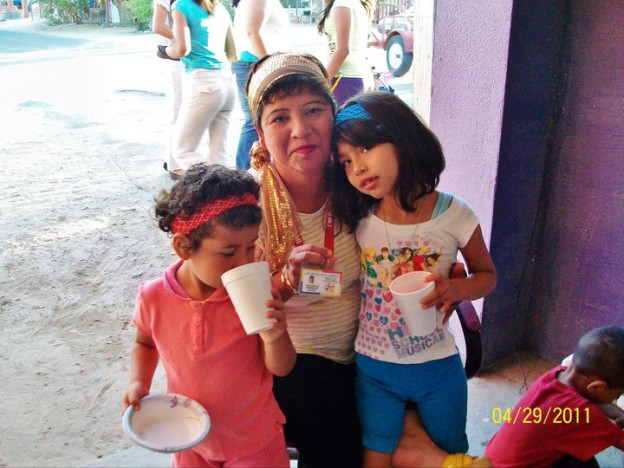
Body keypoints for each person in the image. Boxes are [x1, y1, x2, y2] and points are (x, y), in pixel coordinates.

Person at [330, 91, 498, 467]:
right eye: (346, 161)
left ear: (402, 137)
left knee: (450, 452)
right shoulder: (357, 218)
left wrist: (456, 288)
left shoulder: (455, 214)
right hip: (374, 366)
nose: (357, 168)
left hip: (438, 366)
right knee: (377, 453)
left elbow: (487, 276)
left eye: (366, 148)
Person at [121, 164, 296, 467]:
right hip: (188, 435)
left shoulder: (255, 291)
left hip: (252, 439)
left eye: (251, 247)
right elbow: (145, 343)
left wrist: (274, 337)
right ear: (184, 247)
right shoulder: (153, 297)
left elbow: (281, 368)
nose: (244, 262)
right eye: (228, 252)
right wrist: (139, 382)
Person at [246, 51, 363, 467]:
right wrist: (285, 282)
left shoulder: (358, 182)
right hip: (294, 363)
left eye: (313, 110)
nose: (300, 129)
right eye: (280, 117)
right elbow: (233, 308)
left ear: (334, 116)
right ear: (260, 134)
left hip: (370, 350)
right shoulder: (247, 206)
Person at [484, 325, 624, 467]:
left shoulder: (557, 376)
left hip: (492, 461)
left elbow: (587, 401)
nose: (616, 398)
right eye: (618, 394)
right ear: (596, 387)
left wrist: (617, 412)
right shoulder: (578, 413)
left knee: (581, 457)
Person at [165, 0, 237, 175]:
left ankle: (215, 182)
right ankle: (227, 186)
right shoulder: (220, 9)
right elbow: (233, 53)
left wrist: (168, 50)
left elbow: (182, 49)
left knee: (182, 151)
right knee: (219, 155)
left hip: (205, 83)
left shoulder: (181, 6)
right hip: (227, 82)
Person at [231, 0, 288, 170]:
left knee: (257, 120)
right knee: (255, 121)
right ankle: (243, 174)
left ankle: (248, 173)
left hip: (252, 63)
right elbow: (252, 32)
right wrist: (270, 67)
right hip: (255, 64)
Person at [317, 0, 374, 105]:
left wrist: (321, 82)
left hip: (344, 78)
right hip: (356, 77)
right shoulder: (352, 3)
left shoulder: (342, 3)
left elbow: (343, 50)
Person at [152, 0, 184, 179]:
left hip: (182, 58)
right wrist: (184, 39)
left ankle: (172, 159)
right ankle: (175, 165)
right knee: (177, 112)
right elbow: (157, 25)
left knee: (182, 111)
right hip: (173, 60)